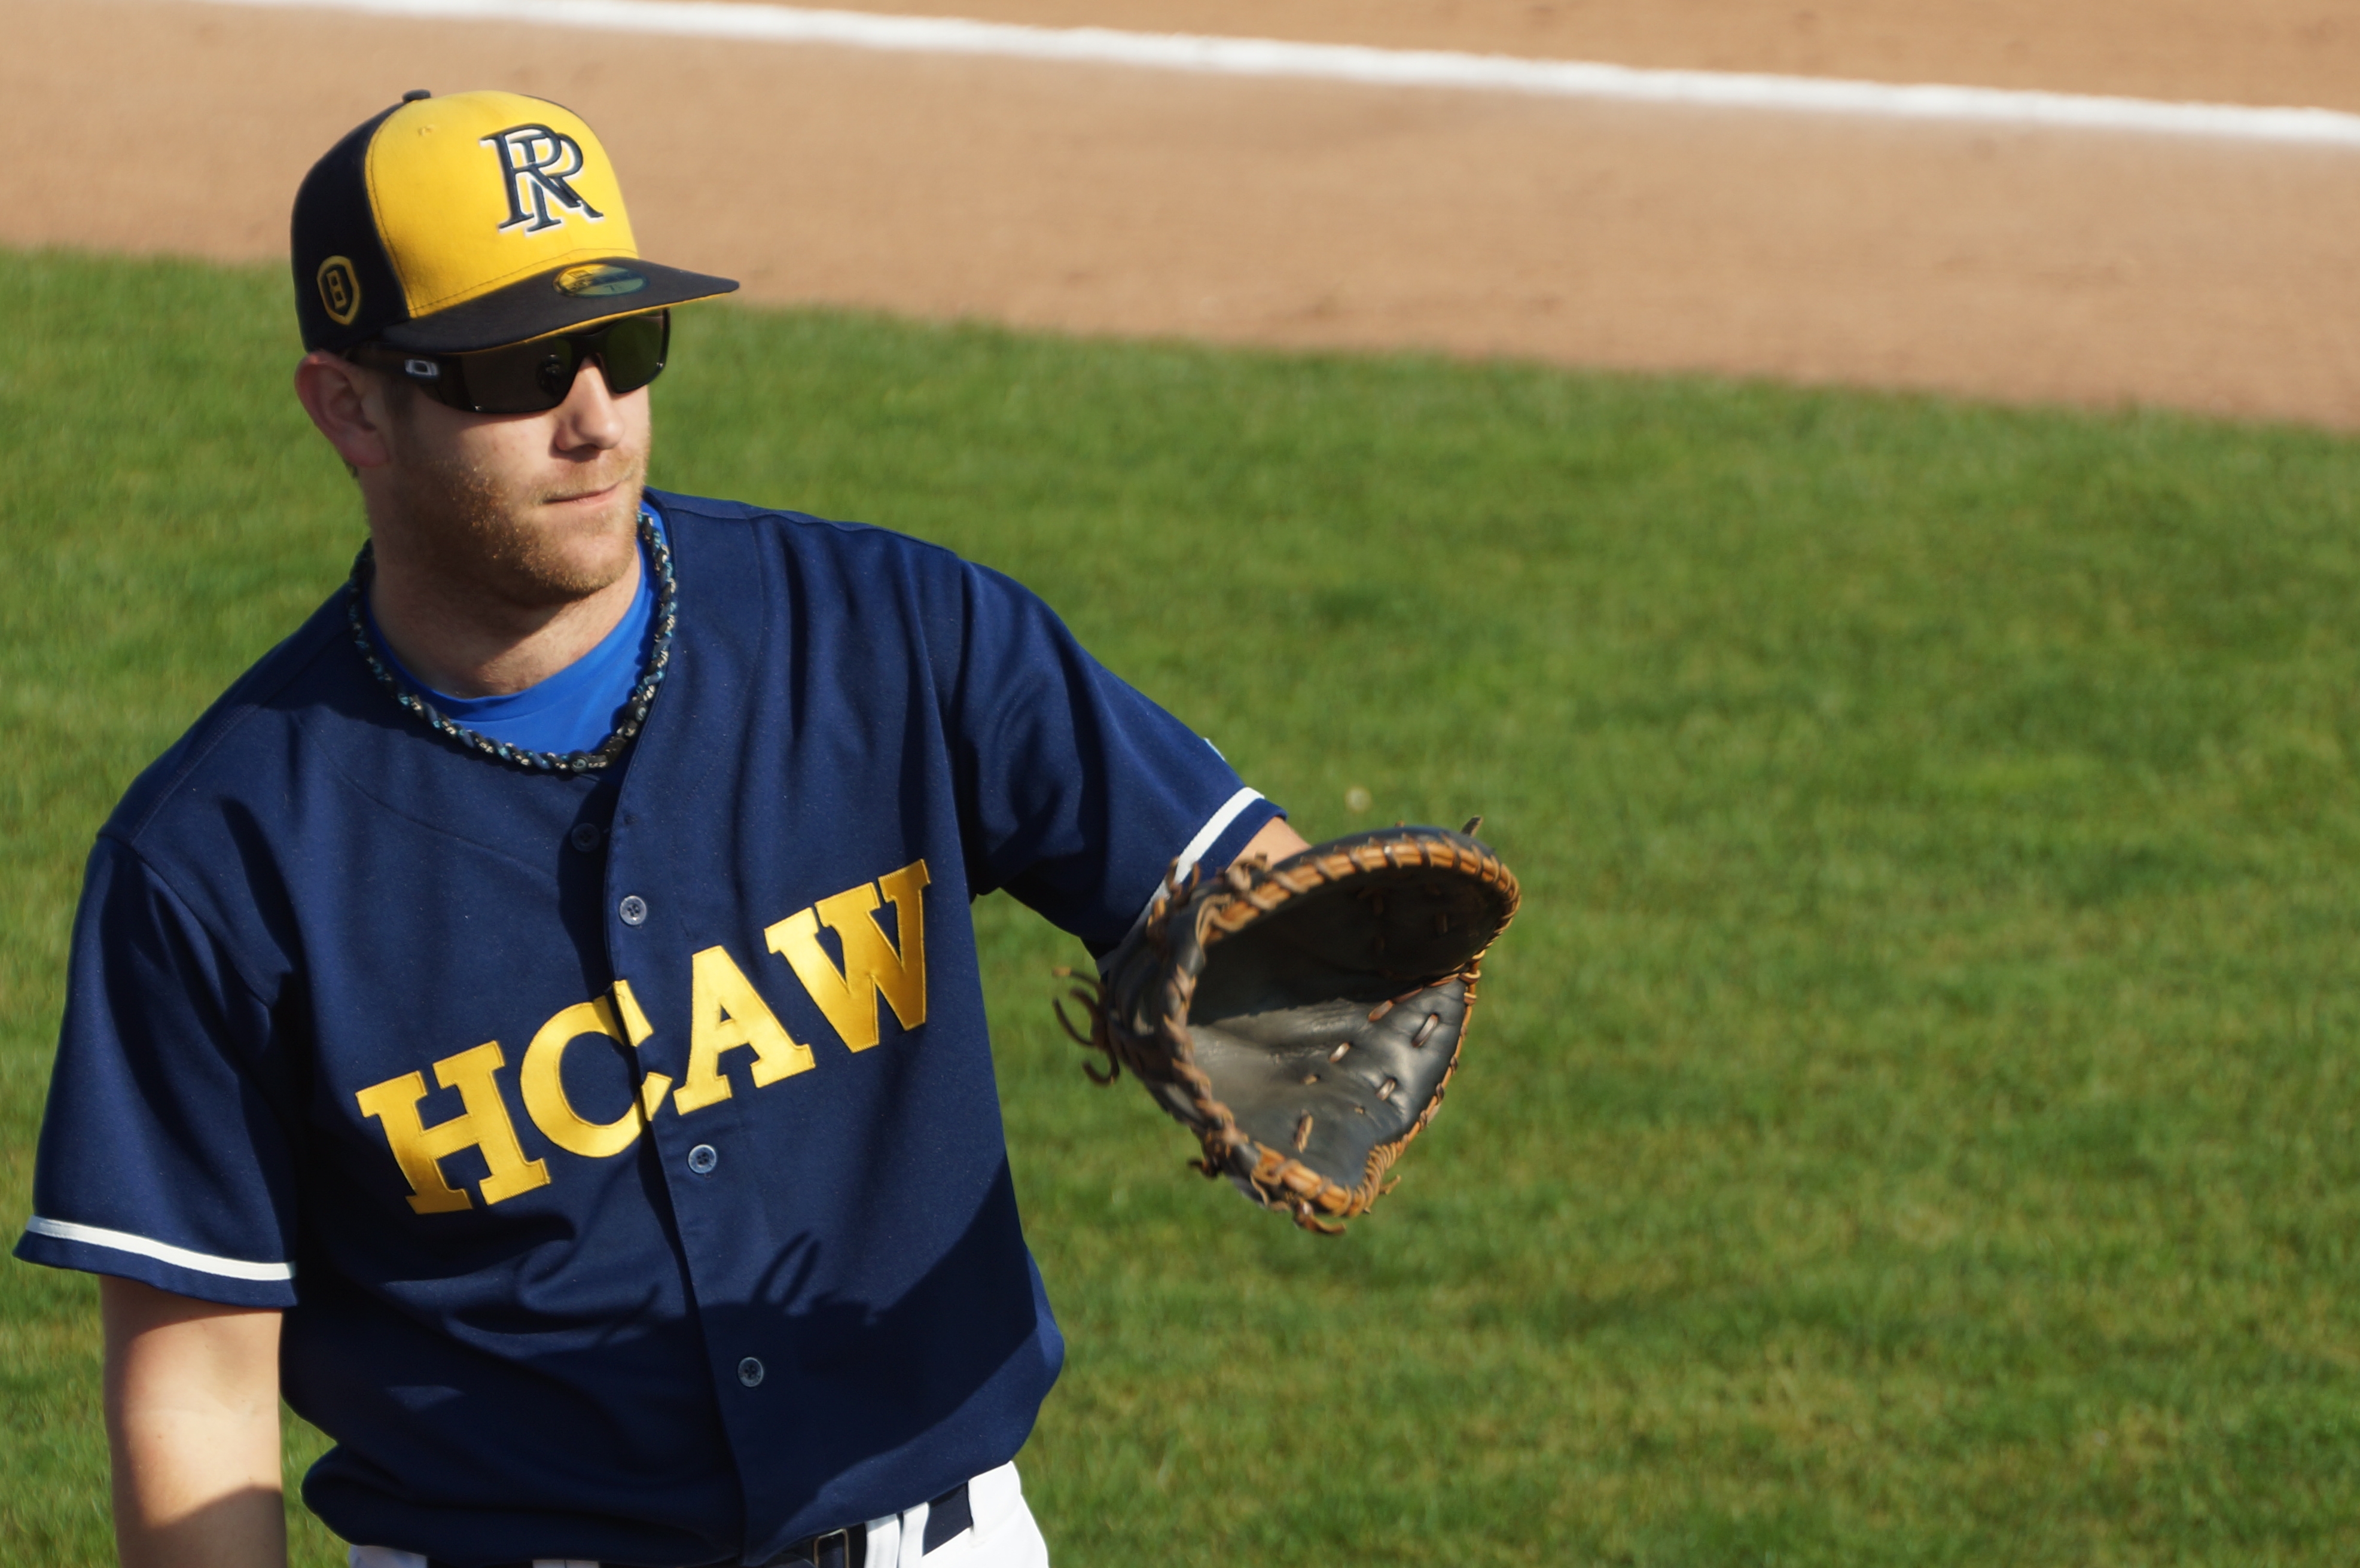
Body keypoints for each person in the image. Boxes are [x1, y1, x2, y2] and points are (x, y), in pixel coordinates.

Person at [16, 89, 1306, 1568]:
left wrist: (1332, 970)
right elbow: (195, 1388)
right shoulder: (216, 859)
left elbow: (1263, 903)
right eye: (515, 370)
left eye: (625, 345)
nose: (594, 419)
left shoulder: (895, 634)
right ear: (350, 407)